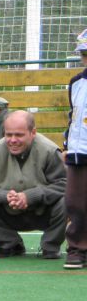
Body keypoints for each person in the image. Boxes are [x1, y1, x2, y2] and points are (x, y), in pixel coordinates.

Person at [0, 110, 67, 259]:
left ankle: (50, 246)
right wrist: (5, 196)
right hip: (7, 211)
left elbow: (64, 184)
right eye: (8, 134)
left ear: (33, 133)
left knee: (68, 201)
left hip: (44, 211)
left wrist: (29, 196)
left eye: (19, 135)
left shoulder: (49, 151)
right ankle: (10, 244)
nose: (12, 140)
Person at [63, 29, 87, 270]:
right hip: (78, 152)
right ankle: (77, 248)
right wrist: (67, 146)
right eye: (84, 54)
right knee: (76, 202)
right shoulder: (76, 83)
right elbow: (73, 116)